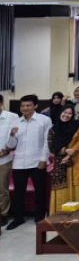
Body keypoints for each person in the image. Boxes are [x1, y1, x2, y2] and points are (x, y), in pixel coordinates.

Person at [7, 95, 51, 229]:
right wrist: (11, 135)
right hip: (19, 161)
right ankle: (18, 218)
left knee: (40, 190)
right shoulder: (16, 122)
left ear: (35, 106)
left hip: (37, 160)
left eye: (28, 105)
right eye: (22, 106)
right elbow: (10, 145)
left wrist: (44, 158)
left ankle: (39, 216)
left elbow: (47, 141)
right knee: (19, 191)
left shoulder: (44, 120)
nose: (25, 108)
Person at [47, 103, 79, 214]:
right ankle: (60, 217)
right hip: (60, 163)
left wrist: (70, 154)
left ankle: (77, 216)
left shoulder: (77, 125)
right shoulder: (53, 129)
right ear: (60, 113)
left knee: (75, 185)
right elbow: (52, 147)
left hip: (75, 161)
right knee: (61, 189)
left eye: (70, 113)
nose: (67, 115)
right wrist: (65, 151)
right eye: (65, 112)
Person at [0, 93, 20, 226]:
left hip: (3, 158)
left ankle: (3, 214)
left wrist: (7, 150)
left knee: (2, 188)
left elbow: (16, 138)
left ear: (1, 104)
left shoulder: (12, 117)